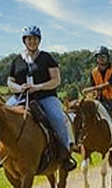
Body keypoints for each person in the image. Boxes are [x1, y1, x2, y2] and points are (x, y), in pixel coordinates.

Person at [5, 26, 75, 171]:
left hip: (45, 97)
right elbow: (10, 82)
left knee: (57, 118)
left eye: (35, 39)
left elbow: (56, 80)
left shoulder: (46, 58)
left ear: (39, 40)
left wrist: (38, 87)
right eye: (29, 39)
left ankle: (65, 154)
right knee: (0, 115)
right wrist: (19, 88)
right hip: (21, 97)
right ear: (24, 41)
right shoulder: (17, 60)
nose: (32, 42)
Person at [82, 46, 112, 155]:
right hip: (99, 100)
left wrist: (92, 89)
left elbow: (110, 84)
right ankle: (83, 140)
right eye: (98, 57)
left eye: (103, 56)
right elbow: (93, 86)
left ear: (108, 58)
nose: (101, 59)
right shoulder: (93, 72)